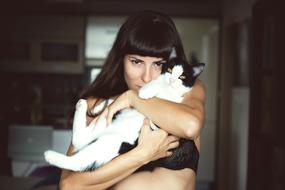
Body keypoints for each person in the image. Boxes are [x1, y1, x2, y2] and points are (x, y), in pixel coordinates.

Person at [60, 10, 205, 190]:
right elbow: (68, 185)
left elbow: (190, 126)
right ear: (121, 60)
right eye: (136, 62)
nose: (146, 77)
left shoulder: (188, 90)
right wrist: (141, 155)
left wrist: (132, 98)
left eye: (158, 64)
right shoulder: (96, 105)